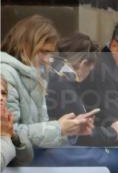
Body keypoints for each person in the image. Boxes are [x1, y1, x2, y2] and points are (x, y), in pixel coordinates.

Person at [1, 16, 94, 147]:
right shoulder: (5, 73)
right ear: (25, 46)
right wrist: (58, 129)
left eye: (50, 53)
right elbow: (9, 134)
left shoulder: (36, 76)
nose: (47, 59)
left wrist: (71, 129)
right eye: (43, 52)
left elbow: (41, 129)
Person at [46, 32, 99, 119]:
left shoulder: (53, 75)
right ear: (83, 63)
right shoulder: (64, 85)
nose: (88, 75)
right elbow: (80, 130)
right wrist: (112, 131)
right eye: (89, 70)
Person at [1, 76, 33, 169]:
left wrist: (14, 138)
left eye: (3, 93)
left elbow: (25, 159)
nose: (1, 98)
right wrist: (4, 136)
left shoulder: (7, 124)